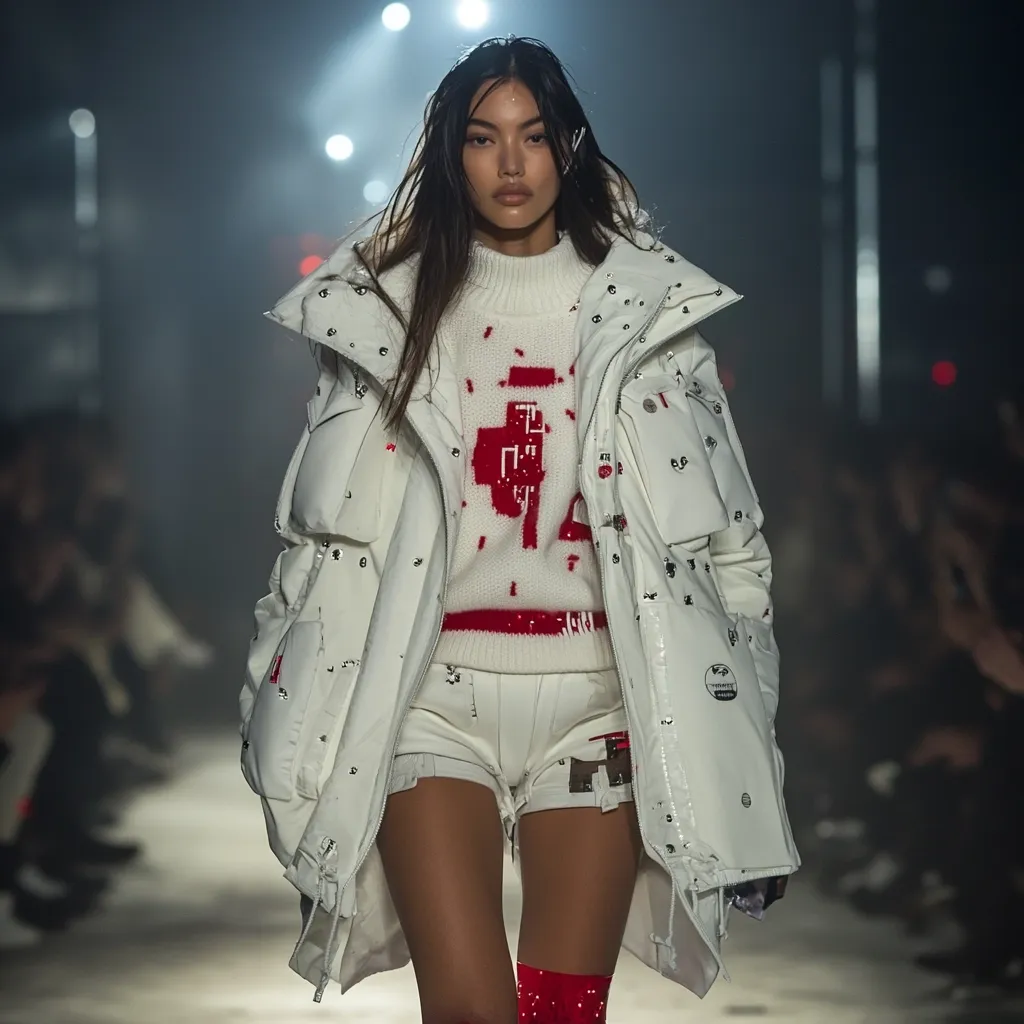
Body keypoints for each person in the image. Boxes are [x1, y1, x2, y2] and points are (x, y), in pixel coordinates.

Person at [241, 36, 798, 1024]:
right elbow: (319, 552)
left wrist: (748, 761)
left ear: (570, 147)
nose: (509, 164)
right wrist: (297, 754)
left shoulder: (652, 322)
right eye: (482, 138)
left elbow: (728, 558)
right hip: (427, 701)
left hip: (599, 705)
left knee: (558, 1015)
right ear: (448, 154)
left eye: (534, 137)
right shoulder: (385, 320)